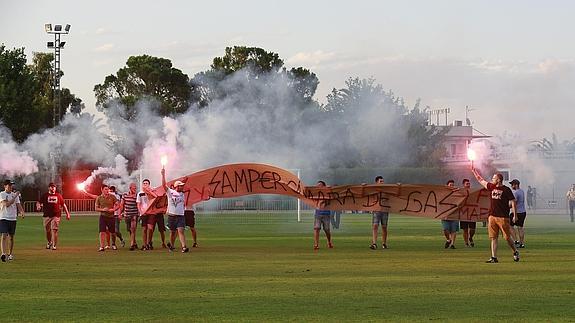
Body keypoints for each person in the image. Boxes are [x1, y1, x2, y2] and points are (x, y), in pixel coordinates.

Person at [471, 167, 520, 263]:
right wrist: (474, 171)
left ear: (498, 180)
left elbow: (513, 202)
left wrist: (515, 215)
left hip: (503, 217)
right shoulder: (492, 187)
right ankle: (494, 257)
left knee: (507, 237)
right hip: (492, 216)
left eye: (494, 178)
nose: (492, 180)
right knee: (493, 237)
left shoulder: (506, 190)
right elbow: (481, 181)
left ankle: (515, 251)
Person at [36, 182, 71, 250]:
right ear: (49, 188)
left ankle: (54, 245)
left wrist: (67, 214)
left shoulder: (58, 195)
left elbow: (63, 205)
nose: (53, 188)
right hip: (47, 216)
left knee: (54, 230)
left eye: (54, 187)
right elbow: (39, 202)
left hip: (56, 215)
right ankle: (49, 242)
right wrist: (38, 206)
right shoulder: (45, 195)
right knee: (47, 231)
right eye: (51, 187)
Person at [161, 168, 189, 253]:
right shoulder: (170, 192)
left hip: (180, 216)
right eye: (180, 185)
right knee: (173, 232)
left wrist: (185, 180)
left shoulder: (182, 194)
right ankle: (171, 246)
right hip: (172, 216)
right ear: (177, 186)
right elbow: (164, 185)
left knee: (181, 231)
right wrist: (163, 175)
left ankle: (184, 247)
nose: (182, 186)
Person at [0, 180, 24, 262]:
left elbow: (18, 205)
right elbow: (6, 204)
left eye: (11, 185)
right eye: (9, 185)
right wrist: (15, 196)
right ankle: (3, 253)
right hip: (4, 217)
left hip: (12, 218)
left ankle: (10, 254)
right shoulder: (2, 194)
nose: (11, 187)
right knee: (4, 235)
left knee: (11, 237)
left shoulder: (15, 195)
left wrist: (22, 212)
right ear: (5, 186)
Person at [95, 184, 118, 251]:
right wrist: (103, 209)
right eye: (105, 189)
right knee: (102, 231)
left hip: (111, 216)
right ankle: (102, 246)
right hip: (103, 216)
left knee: (113, 232)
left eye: (107, 189)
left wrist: (113, 209)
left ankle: (113, 244)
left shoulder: (112, 197)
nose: (107, 191)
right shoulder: (99, 198)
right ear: (102, 190)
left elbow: (118, 205)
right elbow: (96, 208)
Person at [136, 179, 157, 250]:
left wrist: (150, 191)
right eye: (144, 183)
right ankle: (144, 244)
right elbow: (138, 204)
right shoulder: (140, 193)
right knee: (144, 229)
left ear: (149, 184)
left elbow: (156, 197)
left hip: (151, 212)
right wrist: (140, 212)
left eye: (146, 183)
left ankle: (149, 242)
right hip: (144, 213)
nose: (145, 184)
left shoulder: (152, 191)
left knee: (150, 228)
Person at [313, 180, 334, 250]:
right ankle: (316, 244)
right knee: (316, 228)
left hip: (326, 214)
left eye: (320, 185)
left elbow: (332, 196)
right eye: (317, 185)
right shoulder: (315, 193)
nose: (318, 187)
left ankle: (329, 241)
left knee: (327, 229)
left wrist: (329, 189)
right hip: (318, 213)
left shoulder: (328, 193)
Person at [370, 175, 389, 250]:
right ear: (376, 182)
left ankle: (384, 243)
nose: (382, 182)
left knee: (384, 227)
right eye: (381, 181)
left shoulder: (386, 190)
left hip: (384, 210)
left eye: (383, 181)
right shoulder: (373, 190)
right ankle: (374, 244)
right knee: (375, 226)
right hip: (376, 210)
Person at [120, 182, 139, 250]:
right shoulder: (125, 195)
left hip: (134, 214)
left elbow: (138, 204)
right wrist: (120, 213)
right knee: (130, 230)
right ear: (130, 188)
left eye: (135, 188)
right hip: (127, 214)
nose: (135, 189)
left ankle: (132, 245)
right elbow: (122, 204)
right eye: (134, 188)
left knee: (133, 229)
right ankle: (134, 242)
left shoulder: (137, 195)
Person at [509, 179, 527, 248]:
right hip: (523, 212)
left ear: (516, 185)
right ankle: (522, 243)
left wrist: (507, 206)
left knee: (510, 226)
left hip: (516, 212)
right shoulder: (521, 191)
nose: (511, 186)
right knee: (520, 228)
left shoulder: (515, 193)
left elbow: (514, 203)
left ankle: (515, 240)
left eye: (512, 184)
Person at [441, 179, 459, 249]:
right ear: (447, 186)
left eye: (453, 185)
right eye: (450, 185)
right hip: (445, 214)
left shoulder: (457, 193)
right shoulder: (443, 193)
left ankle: (452, 244)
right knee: (446, 229)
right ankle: (448, 239)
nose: (452, 186)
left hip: (454, 214)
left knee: (453, 230)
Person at [459, 179, 476, 247]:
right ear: (463, 185)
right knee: (465, 229)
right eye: (467, 184)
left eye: (469, 183)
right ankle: (466, 243)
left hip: (472, 213)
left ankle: (470, 237)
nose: (468, 185)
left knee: (472, 229)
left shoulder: (473, 192)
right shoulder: (461, 192)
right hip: (463, 213)